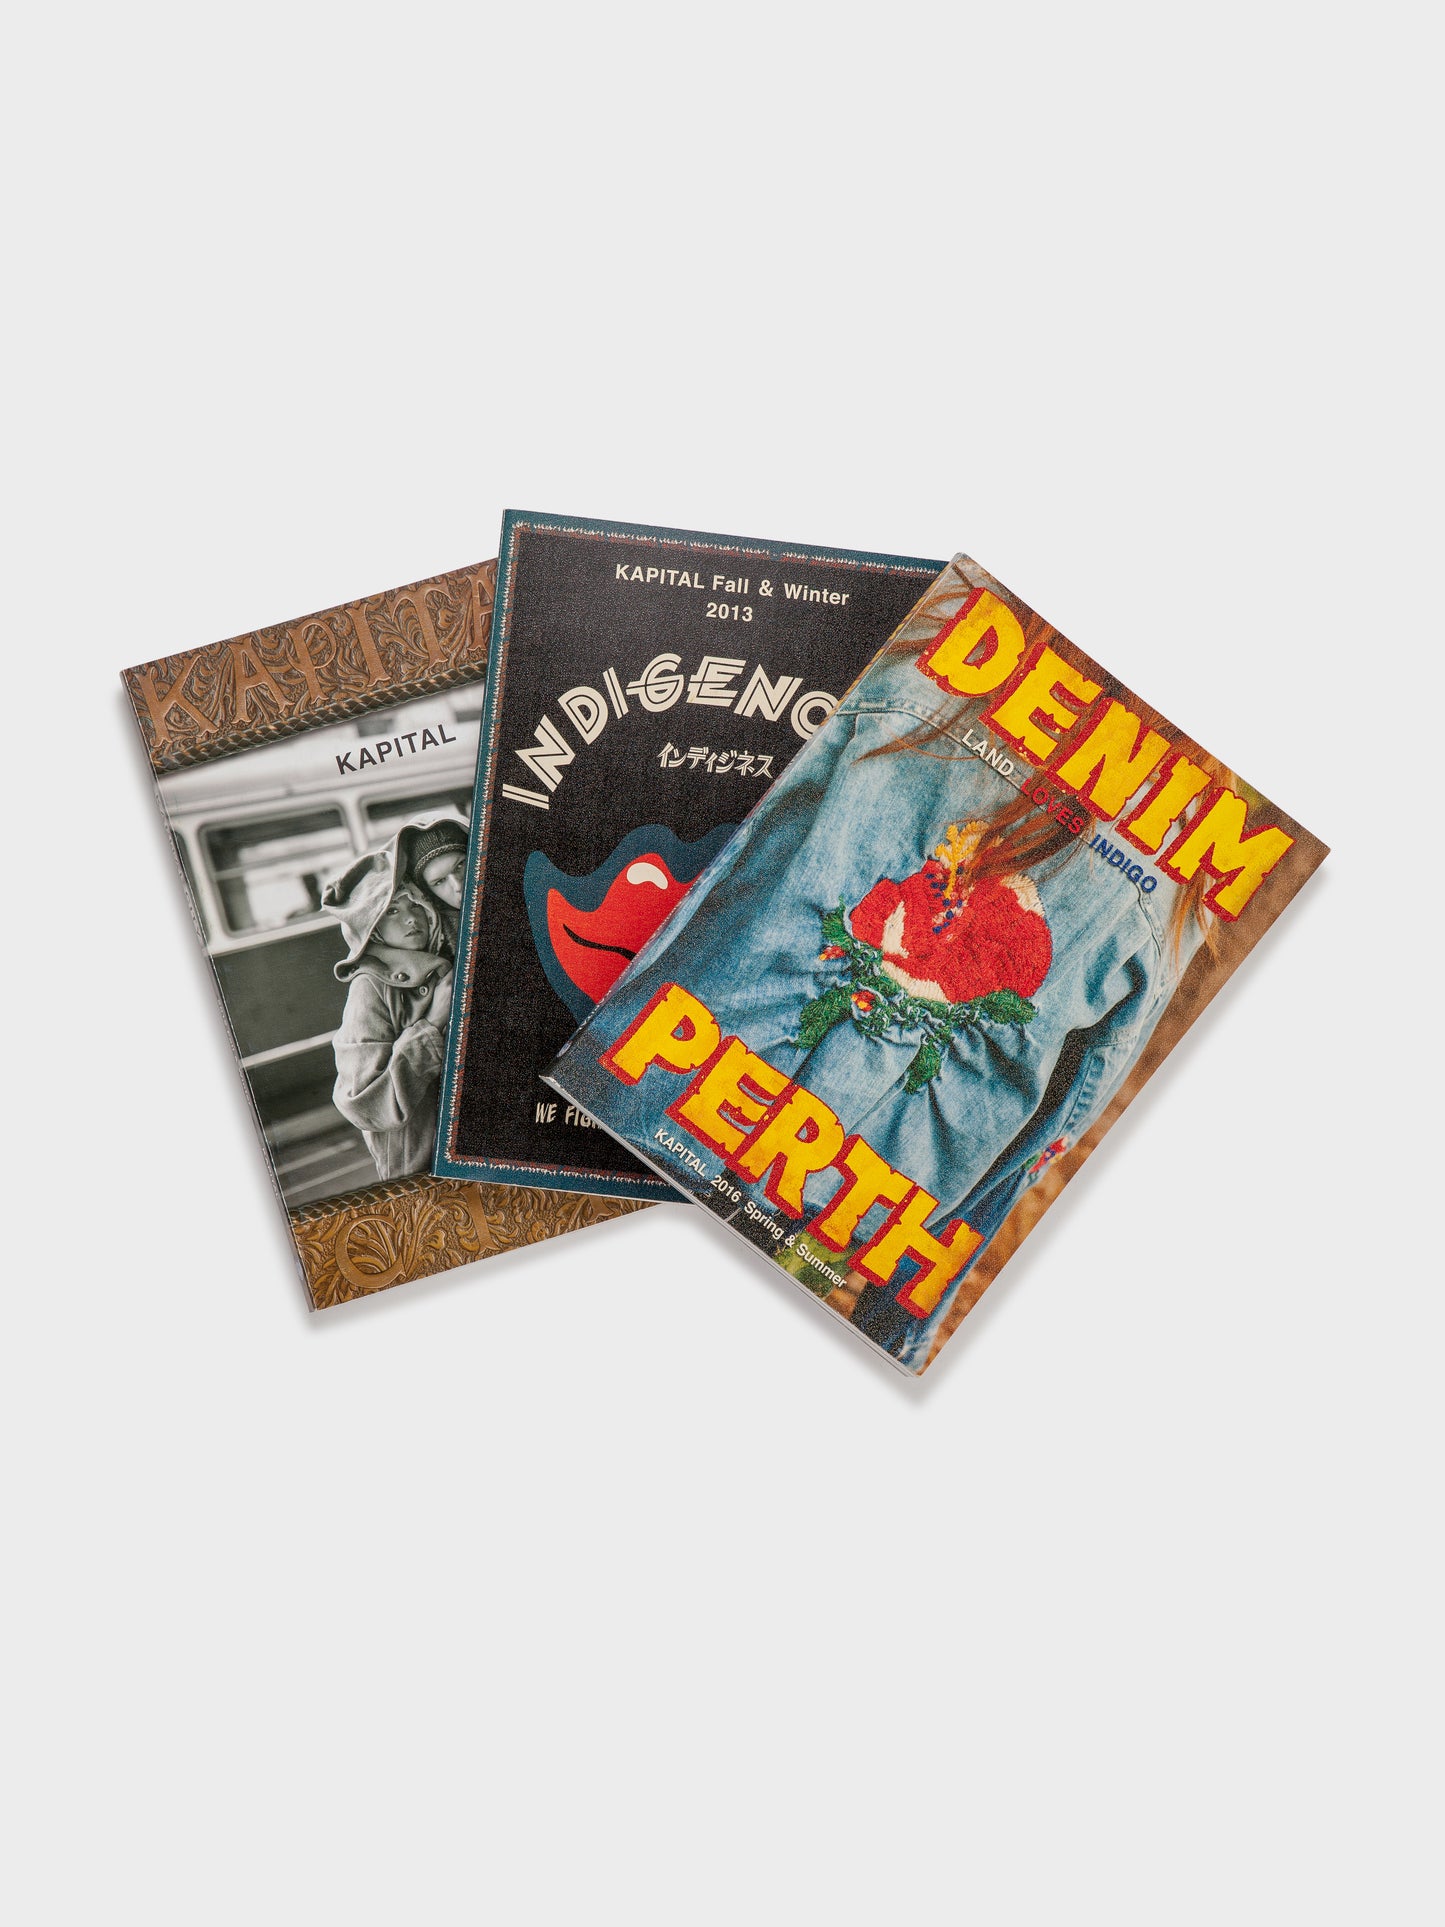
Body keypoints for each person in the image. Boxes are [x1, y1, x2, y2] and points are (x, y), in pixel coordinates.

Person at [321, 827, 455, 1181]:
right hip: (419, 1166)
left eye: (415, 904)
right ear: (373, 928)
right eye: (392, 910)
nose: (410, 918)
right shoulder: (370, 987)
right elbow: (361, 1101)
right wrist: (431, 1025)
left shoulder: (446, 960)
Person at [408, 818, 468, 949]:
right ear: (429, 893)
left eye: (460, 865)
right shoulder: (436, 940)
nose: (458, 886)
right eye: (439, 881)